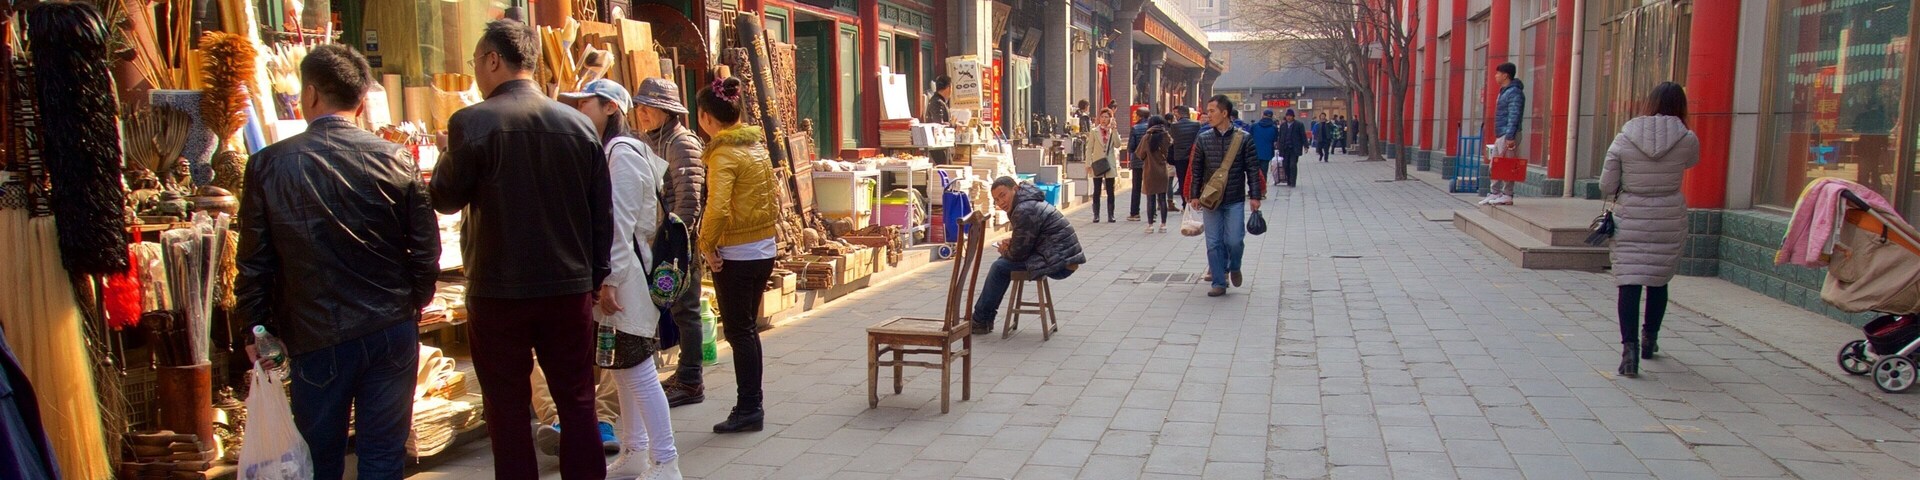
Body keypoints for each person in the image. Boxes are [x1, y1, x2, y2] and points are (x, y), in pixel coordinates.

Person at [235, 44, 440, 480]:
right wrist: (413, 302)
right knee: (383, 453)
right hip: (388, 328)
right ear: (362, 101)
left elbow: (254, 261)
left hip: (316, 334)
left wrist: (256, 327)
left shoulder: (268, 165)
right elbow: (426, 249)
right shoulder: (394, 157)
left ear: (309, 95)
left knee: (319, 456)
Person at [429, 19, 613, 479]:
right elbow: (601, 213)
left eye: (476, 61)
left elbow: (444, 198)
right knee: (576, 399)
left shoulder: (472, 122)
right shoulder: (578, 125)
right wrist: (594, 277)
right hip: (567, 286)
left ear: (493, 60)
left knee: (507, 408)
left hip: (499, 289)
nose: (475, 71)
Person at [560, 78, 683, 479]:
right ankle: (636, 450)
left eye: (586, 103)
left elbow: (620, 223)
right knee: (623, 367)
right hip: (623, 273)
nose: (580, 110)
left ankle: (666, 461)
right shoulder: (615, 151)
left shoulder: (622, 153)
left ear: (611, 107)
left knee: (638, 370)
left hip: (627, 276)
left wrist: (609, 280)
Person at [695, 76, 781, 434]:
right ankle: (751, 404)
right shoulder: (756, 147)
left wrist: (706, 245)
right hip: (762, 248)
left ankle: (749, 407)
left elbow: (716, 210)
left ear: (705, 117)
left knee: (740, 331)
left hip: (738, 253)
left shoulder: (723, 153)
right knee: (747, 330)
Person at [1600, 82, 1699, 378]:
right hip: (1669, 215)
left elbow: (1607, 185)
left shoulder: (1624, 136)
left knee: (1629, 281)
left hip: (1631, 214)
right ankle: (1649, 339)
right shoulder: (1687, 138)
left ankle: (1628, 351)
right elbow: (1692, 162)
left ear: (1649, 102)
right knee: (1658, 279)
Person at [632, 78, 711, 409]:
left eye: (648, 107)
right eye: (640, 107)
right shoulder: (650, 140)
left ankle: (692, 379)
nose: (642, 113)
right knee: (672, 308)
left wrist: (677, 241)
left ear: (665, 110)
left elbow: (689, 198)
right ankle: (682, 373)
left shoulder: (681, 143)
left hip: (678, 243)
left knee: (686, 309)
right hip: (657, 240)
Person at [973, 177, 1087, 334]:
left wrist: (1006, 250)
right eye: (996, 199)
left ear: (1015, 189)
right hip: (1058, 255)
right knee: (1002, 263)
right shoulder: (1028, 202)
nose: (1001, 202)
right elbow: (1029, 237)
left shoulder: (1024, 209)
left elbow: (1018, 254)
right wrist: (1012, 242)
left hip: (1060, 261)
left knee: (999, 267)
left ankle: (981, 319)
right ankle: (983, 318)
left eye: (1003, 195)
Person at [1184, 95, 1266, 297]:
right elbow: (1196, 170)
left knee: (1235, 240)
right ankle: (1219, 282)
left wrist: (1255, 196)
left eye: (1212, 111)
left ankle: (1234, 266)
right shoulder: (1203, 139)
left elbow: (1253, 170)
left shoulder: (1244, 139)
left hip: (1234, 198)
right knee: (1213, 242)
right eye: (1207, 111)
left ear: (1225, 113)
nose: (1208, 115)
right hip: (1210, 200)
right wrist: (1194, 195)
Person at [1483, 62, 1526, 206]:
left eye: (1498, 73)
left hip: (1508, 135)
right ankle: (1495, 192)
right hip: (1502, 133)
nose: (1495, 76)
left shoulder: (1514, 92)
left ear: (1505, 75)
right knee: (1496, 164)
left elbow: (1514, 115)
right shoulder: (1505, 91)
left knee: (1507, 165)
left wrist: (1510, 136)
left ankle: (1507, 194)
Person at [1138, 116, 1174, 233]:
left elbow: (1140, 154)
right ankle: (1163, 224)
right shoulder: (1166, 136)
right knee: (1162, 198)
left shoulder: (1146, 137)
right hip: (1162, 171)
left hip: (1149, 171)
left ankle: (1150, 225)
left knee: (1150, 198)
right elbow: (1170, 150)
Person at [1089, 107, 1121, 223]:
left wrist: (1115, 130)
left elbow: (1118, 145)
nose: (1103, 119)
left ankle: (1110, 215)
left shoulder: (1113, 132)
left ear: (1110, 119)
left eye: (1106, 117)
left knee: (1110, 190)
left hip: (1109, 163)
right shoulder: (1094, 131)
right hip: (1097, 163)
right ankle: (1096, 215)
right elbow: (1089, 149)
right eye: (1102, 117)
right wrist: (1088, 163)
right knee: (1097, 190)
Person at [1167, 105, 1204, 201]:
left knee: (1182, 180)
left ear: (1178, 114)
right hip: (1194, 155)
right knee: (1195, 178)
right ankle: (1195, 198)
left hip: (1180, 157)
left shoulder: (1174, 126)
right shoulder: (1197, 124)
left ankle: (1185, 202)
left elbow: (1171, 141)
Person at [1126, 107, 1151, 221]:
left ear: (1140, 116)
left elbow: (1131, 147)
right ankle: (1152, 213)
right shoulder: (1152, 128)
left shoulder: (1135, 128)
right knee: (1151, 187)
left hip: (1137, 161)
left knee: (1136, 187)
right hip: (1150, 161)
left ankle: (1135, 212)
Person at [1275, 109, 1309, 187]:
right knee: (1285, 165)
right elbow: (1280, 137)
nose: (1289, 117)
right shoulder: (1283, 125)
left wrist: (1306, 145)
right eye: (1287, 116)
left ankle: (1293, 181)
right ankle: (1288, 179)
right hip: (1285, 148)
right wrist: (1279, 146)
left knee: (1292, 165)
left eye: (1290, 116)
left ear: (1293, 116)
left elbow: (1303, 135)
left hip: (1294, 148)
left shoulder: (1299, 124)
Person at [1248, 110, 1280, 184]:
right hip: (1267, 153)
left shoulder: (1254, 126)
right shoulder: (1274, 128)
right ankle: (1262, 189)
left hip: (1254, 152)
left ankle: (1253, 189)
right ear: (1271, 117)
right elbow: (1275, 140)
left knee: (1254, 173)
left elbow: (1249, 138)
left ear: (1263, 115)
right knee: (1263, 172)